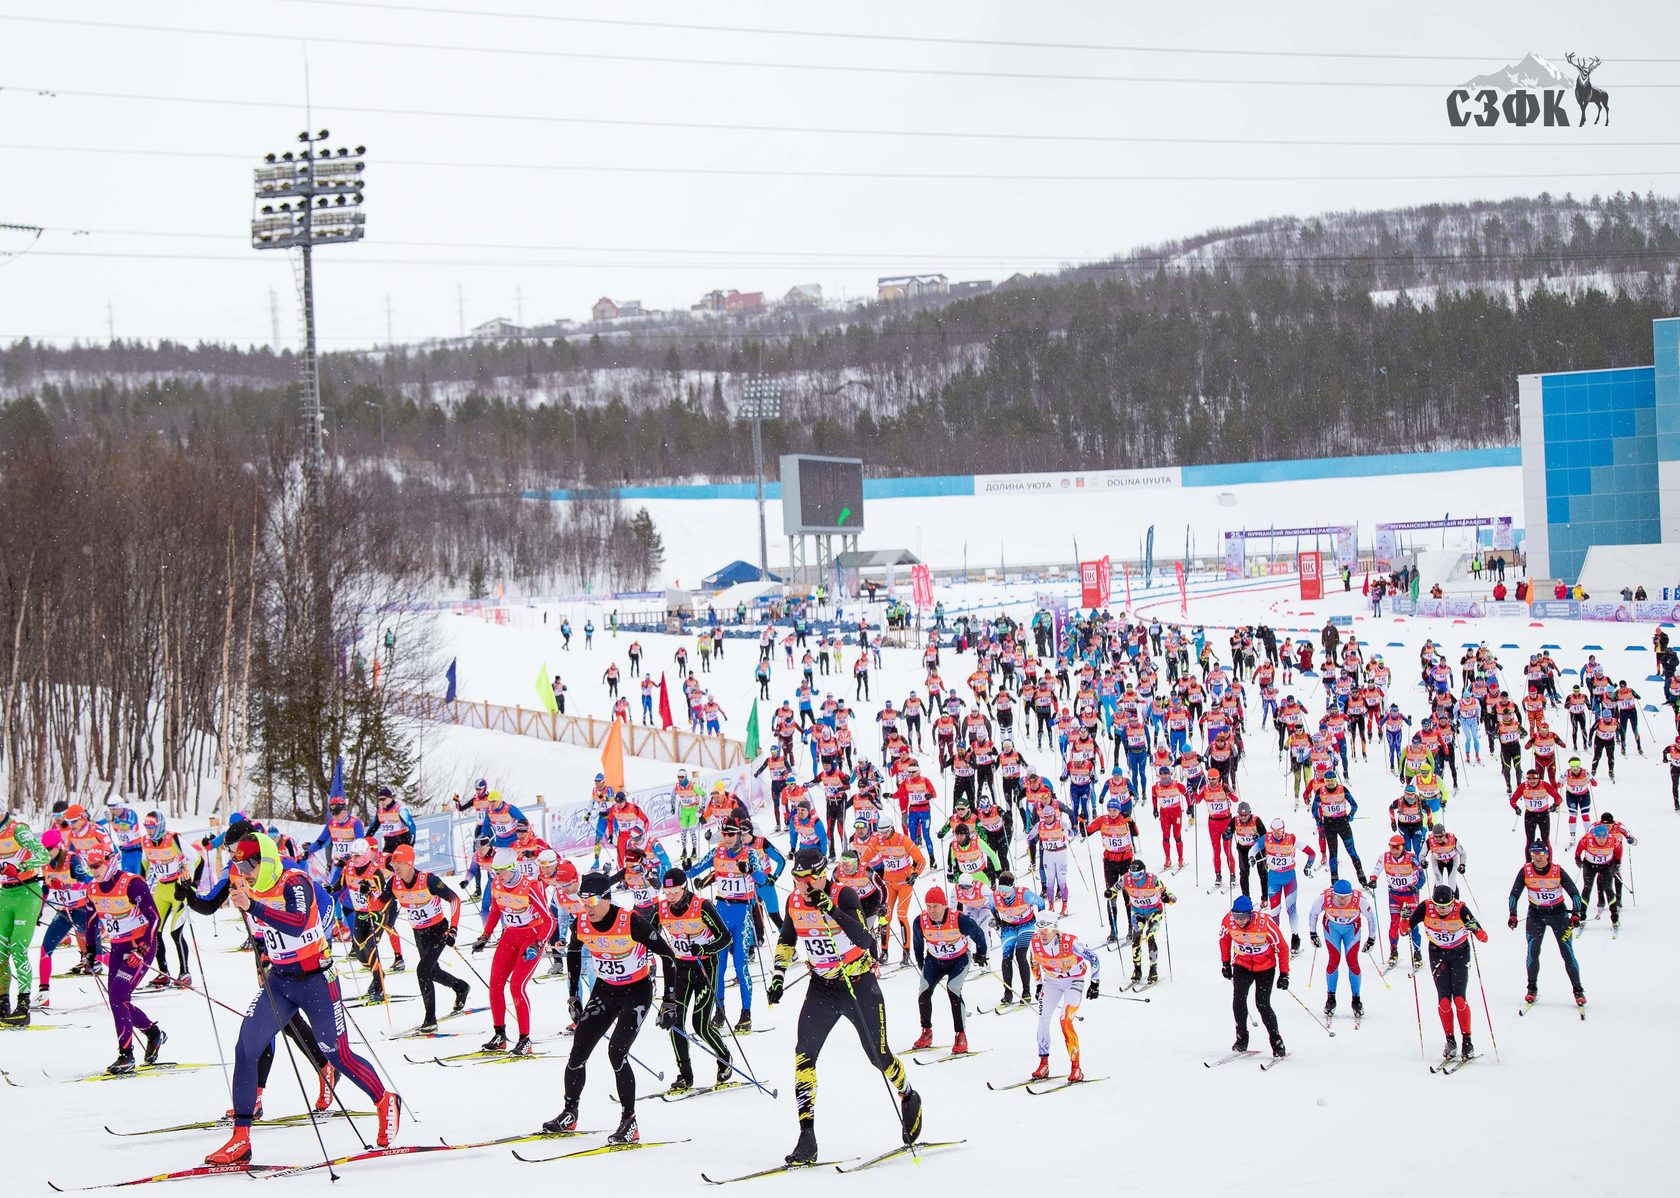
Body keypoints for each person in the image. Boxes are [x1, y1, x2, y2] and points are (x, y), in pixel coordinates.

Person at [208, 834, 398, 1165]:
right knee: (246, 1047)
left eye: (247, 867)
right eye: (238, 867)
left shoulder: (295, 881)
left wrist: (253, 906)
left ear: (263, 863)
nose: (244, 874)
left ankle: (384, 1100)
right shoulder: (246, 882)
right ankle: (241, 1139)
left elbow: (297, 923)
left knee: (335, 1055)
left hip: (317, 980)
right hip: (280, 981)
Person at [768, 849, 921, 1167]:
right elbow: (786, 938)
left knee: (878, 1055)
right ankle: (806, 1136)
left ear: (822, 875)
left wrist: (833, 911)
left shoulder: (844, 894)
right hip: (822, 988)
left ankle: (908, 1093)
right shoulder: (795, 903)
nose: (802, 886)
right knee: (803, 1055)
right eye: (797, 880)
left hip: (858, 985)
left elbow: (865, 940)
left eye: (808, 879)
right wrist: (779, 975)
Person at [545, 872, 678, 1145]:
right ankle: (570, 1113)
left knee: (616, 1052)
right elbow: (572, 955)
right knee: (578, 1052)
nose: (588, 907)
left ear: (607, 897)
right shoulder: (580, 922)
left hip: (637, 992)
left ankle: (629, 1121)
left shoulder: (630, 921)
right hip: (605, 991)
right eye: (583, 900)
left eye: (593, 900)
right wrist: (573, 996)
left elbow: (667, 955)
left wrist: (669, 999)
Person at [654, 868, 734, 1093]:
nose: (670, 896)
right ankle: (685, 1075)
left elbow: (725, 937)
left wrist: (704, 948)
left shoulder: (702, 906)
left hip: (704, 967)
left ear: (684, 888)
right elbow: (648, 934)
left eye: (675, 892)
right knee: (675, 1023)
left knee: (700, 1025)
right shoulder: (661, 909)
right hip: (680, 969)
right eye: (667, 892)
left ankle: (724, 1059)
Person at [86, 845, 164, 1071]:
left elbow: (155, 919)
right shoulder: (92, 888)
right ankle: (153, 1032)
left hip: (140, 946)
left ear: (109, 860)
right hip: (118, 947)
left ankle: (126, 1054)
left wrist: (142, 948)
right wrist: (90, 951)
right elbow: (91, 921)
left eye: (97, 865)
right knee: (118, 999)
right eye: (90, 866)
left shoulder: (131, 884)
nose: (93, 871)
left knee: (119, 995)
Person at [376, 844, 470, 1033]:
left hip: (438, 931)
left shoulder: (429, 880)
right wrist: (368, 893)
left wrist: (453, 930)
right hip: (419, 933)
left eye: (400, 864)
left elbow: (454, 900)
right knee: (433, 973)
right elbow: (377, 905)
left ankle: (430, 1019)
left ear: (410, 863)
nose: (396, 868)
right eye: (394, 865)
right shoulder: (394, 883)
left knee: (422, 971)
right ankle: (461, 987)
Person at [473, 848, 557, 1056]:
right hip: (510, 937)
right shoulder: (496, 884)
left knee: (517, 987)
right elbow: (495, 910)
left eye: (500, 872)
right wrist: (485, 936)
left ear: (512, 868)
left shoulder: (530, 886)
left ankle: (525, 1039)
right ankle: (499, 1035)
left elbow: (549, 921)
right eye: (494, 872)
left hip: (531, 937)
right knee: (495, 984)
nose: (496, 876)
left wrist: (537, 944)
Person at [1408, 883, 1489, 1062]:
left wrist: (1475, 928)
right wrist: (1405, 919)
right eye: (1439, 907)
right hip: (1438, 955)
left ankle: (1467, 1041)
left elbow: (1484, 938)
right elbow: (1404, 930)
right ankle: (1450, 1041)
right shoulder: (1425, 907)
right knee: (1444, 1001)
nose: (1443, 910)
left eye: (1447, 907)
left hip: (1460, 954)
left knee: (1459, 998)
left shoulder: (1461, 909)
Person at [1507, 841, 1586, 1009]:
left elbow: (1574, 893)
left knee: (1567, 952)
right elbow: (1514, 894)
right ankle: (1532, 988)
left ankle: (1578, 990)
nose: (1537, 858)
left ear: (1547, 854)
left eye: (1541, 854)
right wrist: (1513, 914)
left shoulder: (1557, 870)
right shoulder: (1526, 871)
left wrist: (1576, 914)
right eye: (1534, 854)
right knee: (1533, 952)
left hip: (1559, 915)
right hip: (1536, 914)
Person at [910, 886, 987, 1054]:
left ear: (944, 905)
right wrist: (920, 962)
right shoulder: (920, 921)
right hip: (934, 960)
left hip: (959, 959)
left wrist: (981, 953)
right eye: (929, 906)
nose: (932, 910)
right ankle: (926, 1032)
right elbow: (917, 943)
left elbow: (978, 933)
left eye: (936, 906)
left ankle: (960, 1035)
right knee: (924, 989)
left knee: (953, 989)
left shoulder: (959, 919)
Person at [1026, 910, 1099, 1081]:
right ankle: (1043, 1063)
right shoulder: (1035, 942)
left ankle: (1076, 1067)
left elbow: (1094, 958)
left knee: (1065, 1020)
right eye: (1039, 930)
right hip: (1051, 982)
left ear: (1055, 929)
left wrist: (1095, 983)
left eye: (1046, 930)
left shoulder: (1071, 943)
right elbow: (1034, 962)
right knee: (1043, 1019)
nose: (1042, 934)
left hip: (1074, 981)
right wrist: (1038, 984)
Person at [1219, 894, 1288, 1058]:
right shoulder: (1228, 921)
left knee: (1262, 1004)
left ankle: (1276, 1041)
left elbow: (1282, 947)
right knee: (1239, 999)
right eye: (1236, 916)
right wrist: (1225, 963)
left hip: (1265, 966)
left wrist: (1284, 974)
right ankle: (1241, 1039)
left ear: (1250, 914)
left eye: (1243, 917)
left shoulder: (1265, 923)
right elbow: (1224, 940)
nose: (1239, 921)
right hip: (1242, 964)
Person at [0, 809, 48, 1025]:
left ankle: (23, 1006)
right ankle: (2, 1004)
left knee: (18, 949)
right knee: (0, 951)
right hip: (5, 894)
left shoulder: (18, 830)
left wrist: (20, 866)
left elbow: (43, 855)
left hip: (26, 893)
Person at [1307, 878, 1377, 1020]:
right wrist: (1312, 933)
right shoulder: (1324, 898)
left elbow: (1371, 918)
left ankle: (1356, 1000)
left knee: (1352, 961)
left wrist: (1371, 938)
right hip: (1332, 930)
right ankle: (1330, 999)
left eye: (1346, 898)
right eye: (1338, 897)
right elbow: (1313, 914)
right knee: (1334, 960)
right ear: (1333, 894)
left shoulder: (1359, 900)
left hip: (1352, 930)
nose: (1342, 901)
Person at [139, 810, 192, 989]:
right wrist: (139, 884)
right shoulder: (146, 842)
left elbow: (195, 857)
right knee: (155, 932)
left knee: (175, 932)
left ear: (160, 825)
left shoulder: (173, 839)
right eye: (146, 826)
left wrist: (191, 883)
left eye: (151, 826)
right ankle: (163, 973)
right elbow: (144, 864)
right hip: (161, 888)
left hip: (177, 887)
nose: (149, 830)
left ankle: (185, 972)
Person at [990, 871, 1047, 1006]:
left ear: (1013, 886)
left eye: (1006, 889)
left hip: (1026, 924)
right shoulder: (995, 897)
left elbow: (1041, 903)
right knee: (1006, 957)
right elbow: (992, 908)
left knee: (1021, 954)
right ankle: (1007, 992)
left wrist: (1041, 921)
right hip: (1008, 927)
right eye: (1001, 888)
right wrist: (998, 921)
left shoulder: (1024, 894)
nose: (1003, 892)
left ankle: (1026, 992)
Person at [1379, 833, 1426, 969]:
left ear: (1403, 847)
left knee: (1413, 924)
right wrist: (1373, 879)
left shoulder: (1411, 858)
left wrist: (1416, 887)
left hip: (1410, 895)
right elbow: (1376, 869)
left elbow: (1422, 878)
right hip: (1394, 895)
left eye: (1397, 847)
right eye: (1391, 847)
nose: (1394, 850)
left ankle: (1417, 953)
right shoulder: (1385, 857)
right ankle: (1393, 952)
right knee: (1394, 923)